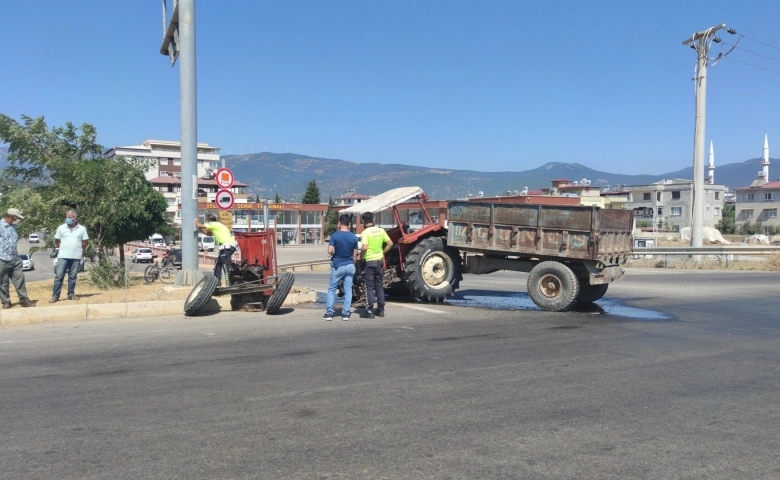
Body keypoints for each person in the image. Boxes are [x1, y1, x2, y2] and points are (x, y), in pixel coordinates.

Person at [323, 214, 359, 321]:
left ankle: (329, 313)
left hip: (338, 266)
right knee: (348, 290)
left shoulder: (335, 236)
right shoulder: (353, 237)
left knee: (331, 289)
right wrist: (353, 264)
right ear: (349, 224)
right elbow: (355, 255)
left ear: (339, 223)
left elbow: (330, 250)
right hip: (350, 266)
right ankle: (346, 313)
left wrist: (334, 253)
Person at [50, 210, 89, 303]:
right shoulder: (61, 228)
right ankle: (55, 296)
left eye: (69, 217)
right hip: (63, 256)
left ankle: (71, 294)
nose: (67, 219)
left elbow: (85, 242)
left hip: (76, 257)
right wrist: (64, 248)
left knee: (72, 276)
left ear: (75, 218)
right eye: (66, 217)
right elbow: (57, 240)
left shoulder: (82, 229)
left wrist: (78, 249)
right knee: (59, 276)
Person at [359, 211, 393, 319]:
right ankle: (381, 310)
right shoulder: (381, 230)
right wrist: (383, 252)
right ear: (373, 220)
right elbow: (390, 243)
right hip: (379, 261)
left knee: (369, 287)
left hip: (369, 261)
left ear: (363, 221)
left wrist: (360, 258)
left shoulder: (365, 233)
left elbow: (364, 247)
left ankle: (369, 310)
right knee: (379, 286)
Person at [0, 208, 34, 309]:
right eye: (16, 217)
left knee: (20, 279)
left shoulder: (14, 227)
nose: (17, 219)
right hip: (2, 259)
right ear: (11, 216)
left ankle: (24, 299)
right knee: (3, 282)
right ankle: (6, 301)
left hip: (15, 259)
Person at [194, 214, 237, 286]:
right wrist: (200, 229)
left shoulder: (213, 224)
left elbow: (199, 225)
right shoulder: (218, 226)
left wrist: (196, 221)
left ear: (208, 220)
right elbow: (208, 233)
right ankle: (217, 283)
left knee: (225, 266)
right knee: (218, 265)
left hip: (227, 247)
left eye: (206, 221)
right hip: (226, 248)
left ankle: (229, 285)